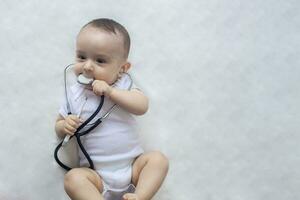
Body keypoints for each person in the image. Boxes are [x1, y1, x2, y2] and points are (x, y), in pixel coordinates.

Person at [54, 18, 169, 200]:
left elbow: (142, 106)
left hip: (132, 169)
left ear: (122, 68)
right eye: (81, 57)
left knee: (158, 160)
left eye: (100, 61)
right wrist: (64, 126)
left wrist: (111, 92)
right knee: (73, 178)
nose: (88, 66)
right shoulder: (75, 93)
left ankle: (139, 196)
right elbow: (59, 125)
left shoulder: (123, 84)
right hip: (97, 177)